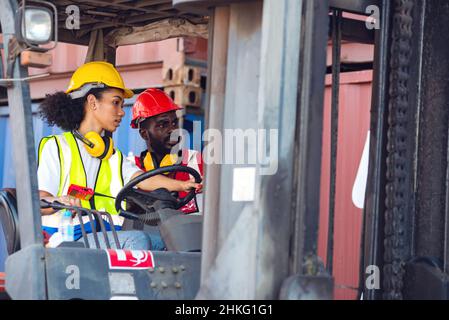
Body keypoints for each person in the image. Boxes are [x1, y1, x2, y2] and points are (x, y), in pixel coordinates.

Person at [37, 62, 201, 250]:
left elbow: (141, 179)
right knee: (137, 240)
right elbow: (40, 201)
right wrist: (61, 200)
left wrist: (182, 185)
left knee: (168, 244)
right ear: (92, 102)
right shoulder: (56, 147)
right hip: (66, 241)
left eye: (122, 105)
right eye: (116, 102)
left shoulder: (113, 155)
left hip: (105, 238)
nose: (122, 112)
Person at [130, 88, 203, 214]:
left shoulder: (195, 161)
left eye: (174, 123)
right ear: (144, 134)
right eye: (162, 125)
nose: (173, 130)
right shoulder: (130, 168)